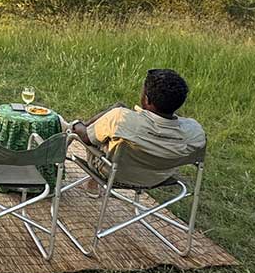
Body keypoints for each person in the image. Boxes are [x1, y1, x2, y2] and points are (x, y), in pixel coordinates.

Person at [68, 68, 206, 188]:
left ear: (147, 99)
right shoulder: (195, 132)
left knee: (101, 132)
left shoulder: (121, 118)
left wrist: (76, 125)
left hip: (114, 174)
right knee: (115, 115)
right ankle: (92, 185)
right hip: (159, 177)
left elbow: (86, 138)